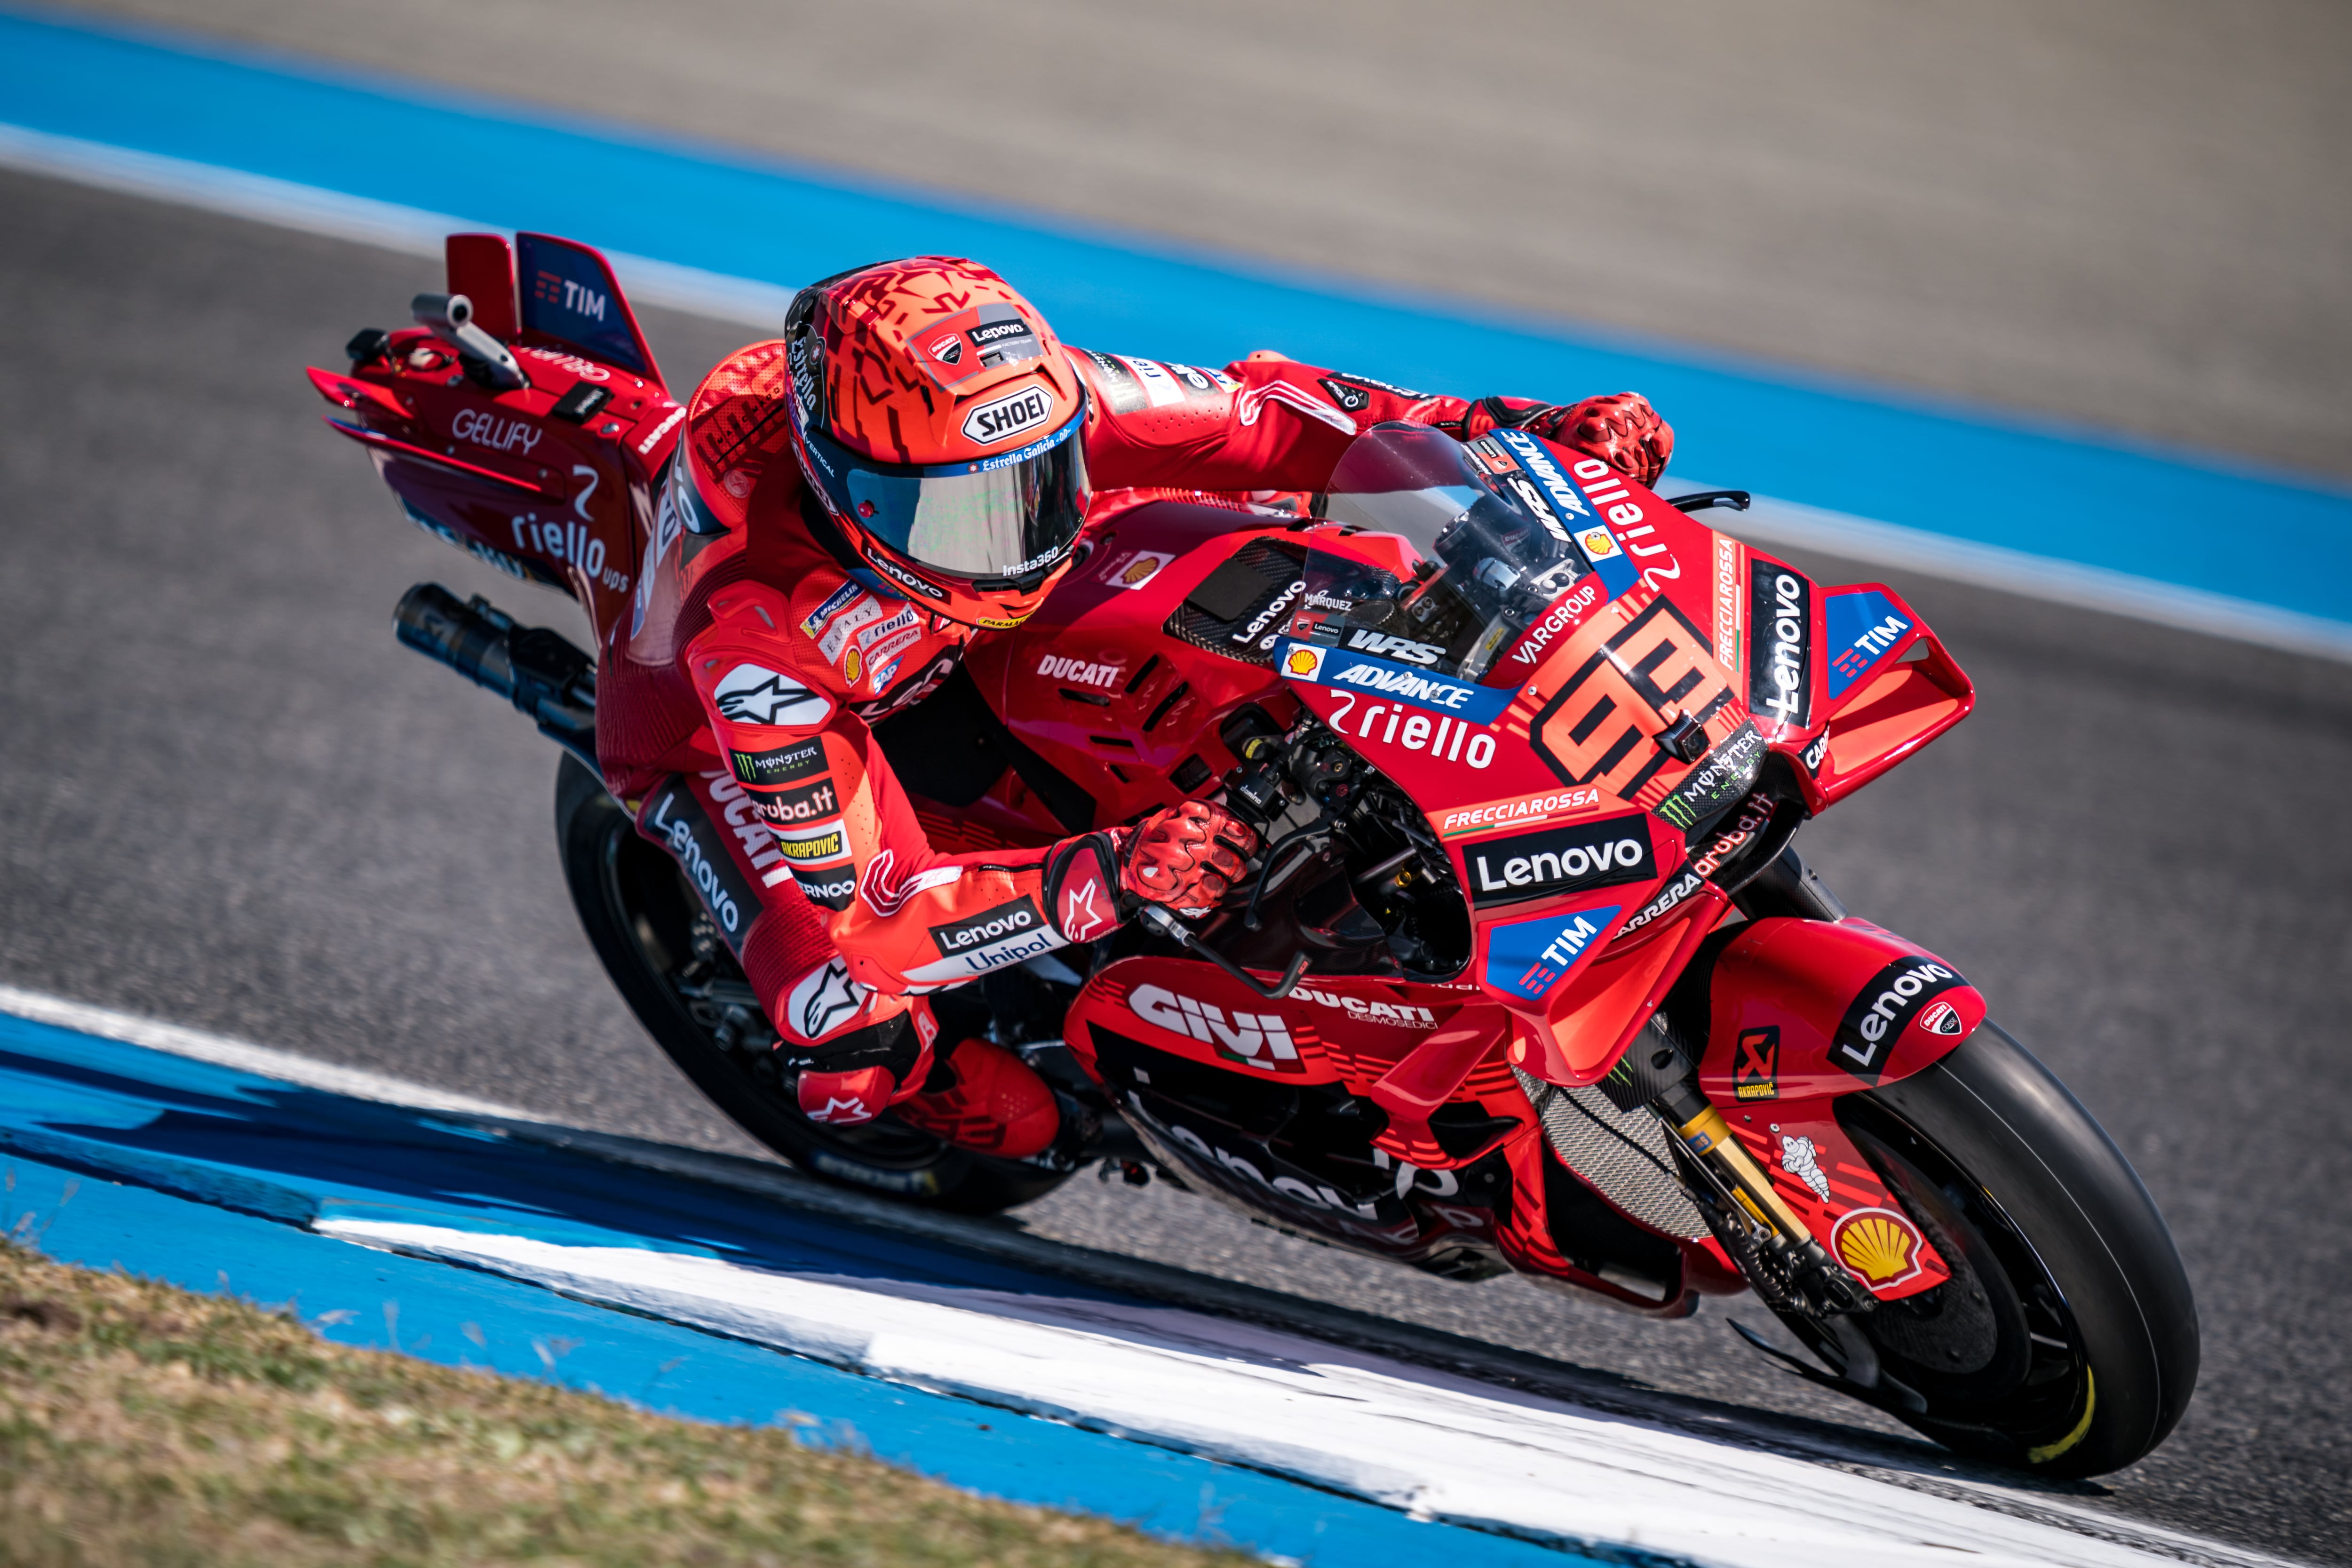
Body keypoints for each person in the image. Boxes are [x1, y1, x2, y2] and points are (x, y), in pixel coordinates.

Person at [602, 255, 1674, 1162]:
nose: (1014, 530)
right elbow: (876, 918)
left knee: (1309, 564)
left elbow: (1272, 417)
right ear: (852, 491)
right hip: (716, 737)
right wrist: (1113, 874)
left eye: (1036, 480)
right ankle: (926, 1090)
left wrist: (1514, 432)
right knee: (843, 1012)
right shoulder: (760, 635)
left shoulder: (1031, 402)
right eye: (969, 510)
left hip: (965, 644)